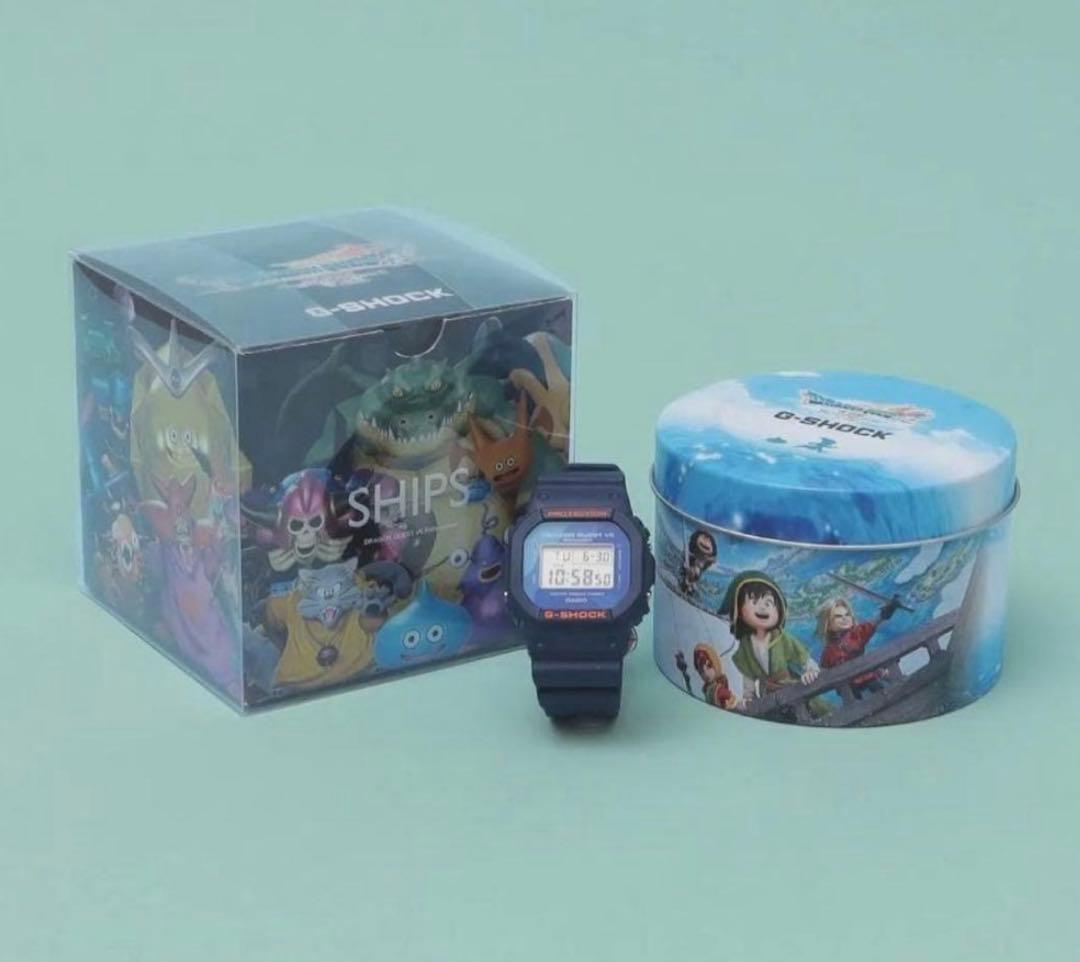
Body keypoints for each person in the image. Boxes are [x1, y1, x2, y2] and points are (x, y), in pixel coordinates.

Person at [817, 595, 900, 698]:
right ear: (828, 624)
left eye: (847, 614)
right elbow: (823, 672)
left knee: (881, 692)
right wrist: (811, 672)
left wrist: (888, 610)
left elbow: (874, 622)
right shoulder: (829, 651)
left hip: (869, 678)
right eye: (838, 616)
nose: (844, 618)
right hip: (850, 688)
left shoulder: (856, 634)